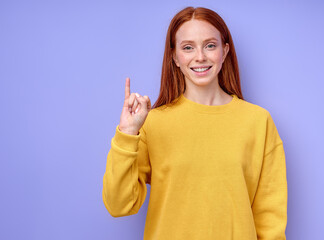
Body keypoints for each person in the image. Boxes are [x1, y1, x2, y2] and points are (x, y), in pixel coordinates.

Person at [102, 6, 288, 240]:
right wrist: (128, 133)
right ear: (174, 57)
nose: (200, 56)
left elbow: (270, 220)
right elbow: (118, 205)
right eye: (188, 47)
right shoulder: (152, 123)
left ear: (225, 51)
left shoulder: (258, 122)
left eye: (210, 45)